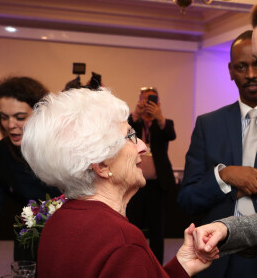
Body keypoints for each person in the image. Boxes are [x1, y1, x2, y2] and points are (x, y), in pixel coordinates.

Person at [20, 87, 214, 277]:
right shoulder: (122, 240)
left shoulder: (56, 222)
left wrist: (181, 267)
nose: (142, 147)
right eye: (130, 136)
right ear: (102, 165)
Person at [178, 29, 257, 278]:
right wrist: (223, 178)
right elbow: (187, 200)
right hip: (218, 260)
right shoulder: (208, 125)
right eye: (242, 67)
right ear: (231, 70)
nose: (251, 74)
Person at [0, 76, 61, 261]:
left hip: (72, 234)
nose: (10, 125)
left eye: (20, 117)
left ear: (41, 113)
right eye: (4, 117)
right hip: (31, 238)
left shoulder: (63, 145)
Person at [126, 86, 176, 264]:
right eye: (144, 100)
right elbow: (123, 136)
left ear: (158, 103)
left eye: (151, 99)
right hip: (135, 185)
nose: (148, 103)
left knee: (157, 231)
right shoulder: (133, 123)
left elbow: (171, 134)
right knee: (133, 227)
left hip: (157, 186)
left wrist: (159, 116)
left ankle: (157, 267)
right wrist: (135, 115)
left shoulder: (164, 123)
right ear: (139, 101)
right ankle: (133, 263)